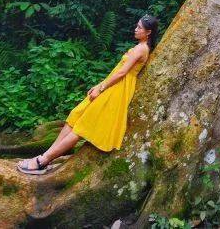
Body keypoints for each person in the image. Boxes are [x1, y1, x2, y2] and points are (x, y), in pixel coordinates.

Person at [16, 14, 158, 175]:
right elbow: (117, 71)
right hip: (112, 86)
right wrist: (99, 85)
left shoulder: (141, 49)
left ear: (148, 32)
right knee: (75, 115)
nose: (135, 29)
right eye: (137, 26)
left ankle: (42, 161)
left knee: (82, 127)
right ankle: (46, 156)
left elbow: (122, 73)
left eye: (139, 27)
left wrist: (101, 88)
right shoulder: (140, 47)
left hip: (117, 91)